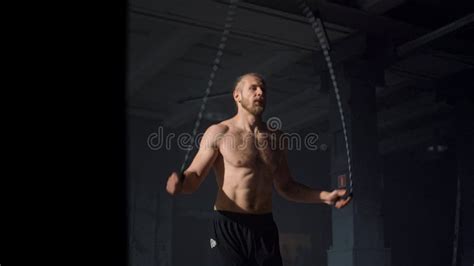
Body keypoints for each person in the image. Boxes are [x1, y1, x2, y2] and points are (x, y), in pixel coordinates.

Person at [166, 73, 352, 266]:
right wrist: (179, 185)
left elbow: (287, 186)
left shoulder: (276, 138)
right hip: (229, 225)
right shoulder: (220, 132)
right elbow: (194, 176)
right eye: (253, 88)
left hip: (264, 227)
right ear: (237, 95)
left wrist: (324, 196)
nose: (260, 92)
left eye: (263, 89)